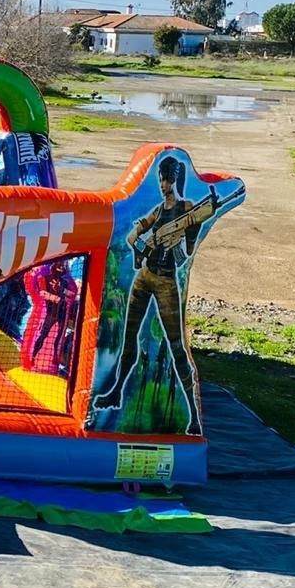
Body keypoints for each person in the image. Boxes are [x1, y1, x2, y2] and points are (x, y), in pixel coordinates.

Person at [91, 155, 209, 434]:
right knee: (129, 336)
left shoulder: (187, 210)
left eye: (165, 179)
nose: (162, 184)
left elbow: (186, 255)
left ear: (174, 180)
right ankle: (116, 391)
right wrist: (142, 248)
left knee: (176, 346)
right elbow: (133, 236)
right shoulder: (158, 211)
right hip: (144, 276)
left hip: (166, 281)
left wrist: (192, 231)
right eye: (160, 178)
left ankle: (192, 415)